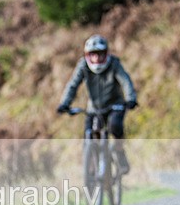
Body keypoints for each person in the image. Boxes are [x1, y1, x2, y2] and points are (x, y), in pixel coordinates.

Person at [57, 34, 138, 173]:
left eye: (100, 54)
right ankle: (91, 168)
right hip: (94, 108)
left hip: (115, 106)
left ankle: (119, 153)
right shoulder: (83, 65)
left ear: (106, 54)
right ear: (88, 55)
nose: (97, 58)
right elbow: (73, 85)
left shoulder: (114, 64)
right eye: (93, 55)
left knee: (115, 126)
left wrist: (131, 99)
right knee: (88, 136)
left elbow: (126, 81)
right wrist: (65, 103)